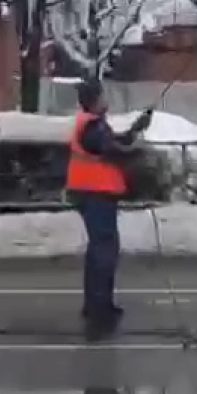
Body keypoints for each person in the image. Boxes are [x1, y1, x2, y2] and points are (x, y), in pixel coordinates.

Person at [67, 78, 153, 336]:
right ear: (94, 100)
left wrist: (136, 129)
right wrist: (137, 151)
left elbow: (115, 141)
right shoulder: (92, 127)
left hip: (94, 193)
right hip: (95, 194)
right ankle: (99, 309)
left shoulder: (93, 124)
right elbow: (113, 150)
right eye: (103, 97)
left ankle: (96, 304)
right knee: (104, 251)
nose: (107, 101)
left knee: (99, 250)